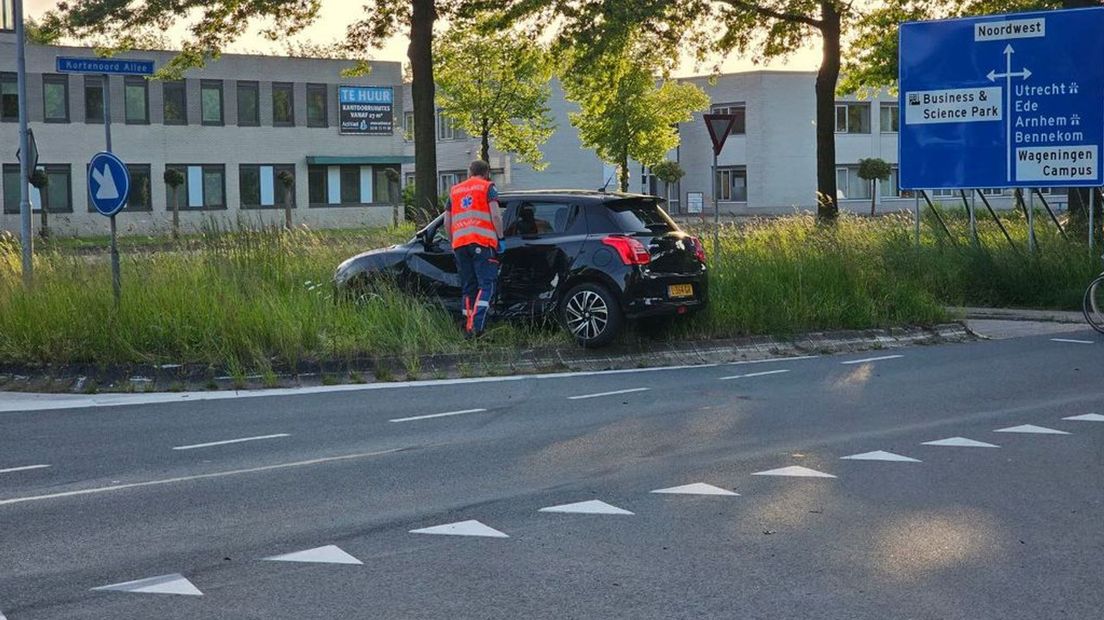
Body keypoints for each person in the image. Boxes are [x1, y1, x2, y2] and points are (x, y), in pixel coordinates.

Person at [443, 160, 504, 338]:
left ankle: (468, 328)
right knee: (486, 286)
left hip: (461, 245)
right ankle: (477, 327)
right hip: (483, 243)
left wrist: (454, 242)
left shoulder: (455, 191)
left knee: (468, 288)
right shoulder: (487, 188)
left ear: (470, 172)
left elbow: (447, 222)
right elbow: (495, 216)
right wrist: (500, 238)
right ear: (486, 173)